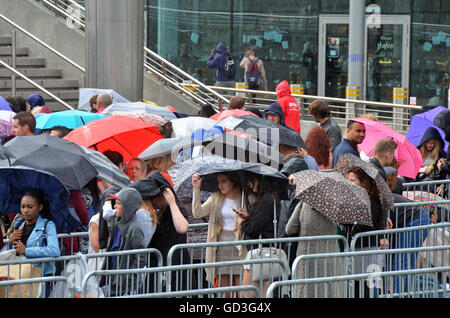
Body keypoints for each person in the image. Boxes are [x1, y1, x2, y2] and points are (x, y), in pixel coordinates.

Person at [191, 171, 246, 295]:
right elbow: (197, 213)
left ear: (234, 181)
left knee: (241, 287)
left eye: (224, 181)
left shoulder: (244, 197)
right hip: (219, 245)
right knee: (224, 289)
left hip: (239, 245)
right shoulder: (215, 197)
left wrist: (245, 219)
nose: (220, 185)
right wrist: (196, 189)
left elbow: (253, 219)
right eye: (218, 182)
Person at [285, 200, 344, 298]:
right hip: (331, 255)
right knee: (330, 288)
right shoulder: (335, 205)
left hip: (308, 255)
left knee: (307, 290)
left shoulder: (304, 204)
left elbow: (290, 229)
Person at [235, 173, 281, 298]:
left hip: (259, 252)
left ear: (259, 181)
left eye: (252, 181)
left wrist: (242, 223)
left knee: (248, 294)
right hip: (262, 251)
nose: (249, 184)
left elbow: (254, 227)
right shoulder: (271, 198)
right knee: (260, 293)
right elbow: (262, 221)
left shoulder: (266, 200)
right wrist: (249, 217)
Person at [346, 165, 389, 298]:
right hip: (358, 251)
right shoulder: (355, 199)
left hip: (370, 250)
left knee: (370, 289)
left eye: (352, 180)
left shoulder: (374, 200)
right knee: (358, 289)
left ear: (364, 182)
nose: (349, 184)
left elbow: (367, 222)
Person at [8, 190, 60, 296]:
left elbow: (54, 251)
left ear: (40, 207)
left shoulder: (48, 225)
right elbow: (15, 251)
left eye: (30, 207)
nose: (25, 211)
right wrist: (10, 242)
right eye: (23, 207)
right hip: (21, 275)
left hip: (42, 277)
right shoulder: (18, 224)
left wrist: (26, 250)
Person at [102, 187, 147, 296]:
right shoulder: (116, 221)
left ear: (127, 207)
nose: (115, 206)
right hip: (113, 275)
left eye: (118, 203)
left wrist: (129, 277)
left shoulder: (135, 228)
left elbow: (141, 257)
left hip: (126, 284)